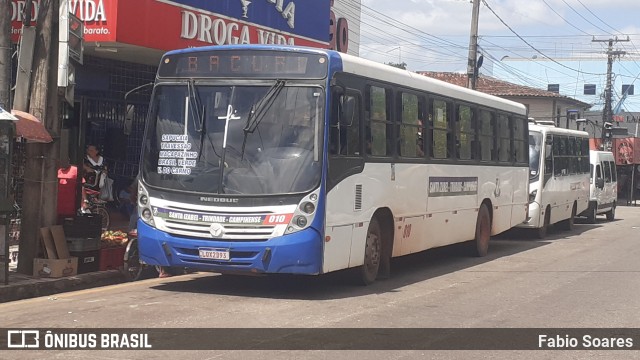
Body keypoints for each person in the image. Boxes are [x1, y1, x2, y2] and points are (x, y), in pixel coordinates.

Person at [81, 144, 108, 212]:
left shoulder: (102, 159)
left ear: (96, 151)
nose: (89, 152)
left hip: (100, 182)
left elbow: (105, 168)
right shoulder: (85, 159)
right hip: (88, 182)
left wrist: (104, 172)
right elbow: (82, 165)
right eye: (88, 150)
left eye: (91, 150)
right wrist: (88, 169)